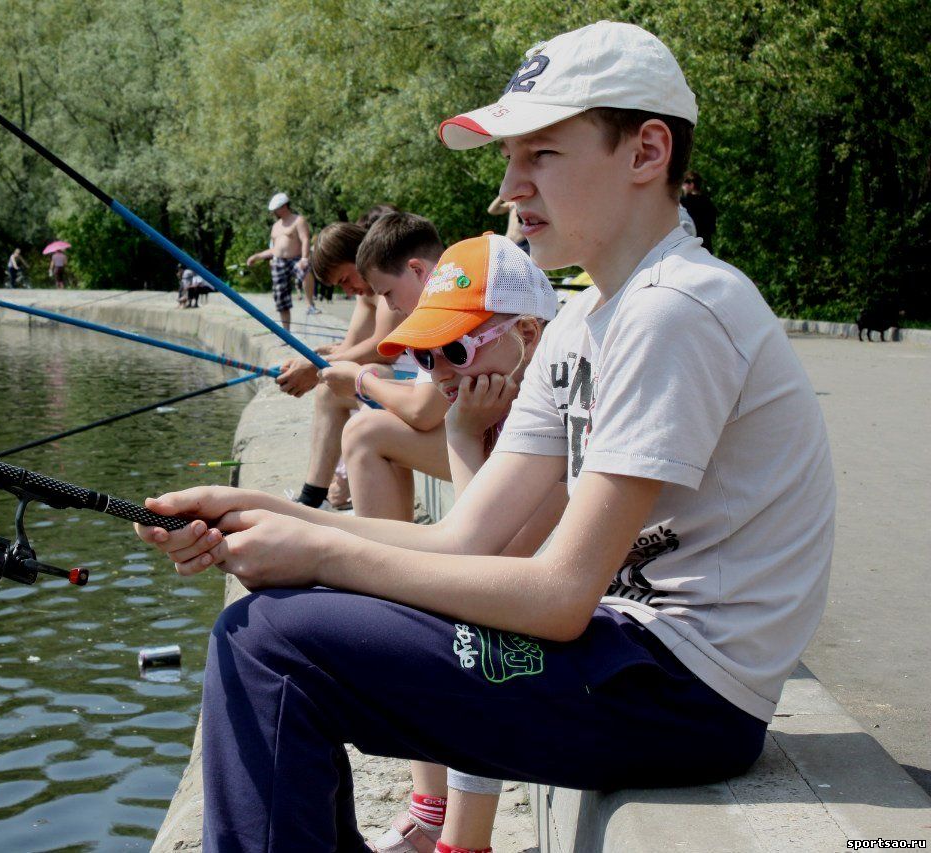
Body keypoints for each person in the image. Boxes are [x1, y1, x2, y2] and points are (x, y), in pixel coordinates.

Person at [133, 21, 835, 853]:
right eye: (509, 159)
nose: (507, 188)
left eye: (539, 155)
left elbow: (559, 596)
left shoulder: (676, 307)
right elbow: (469, 537)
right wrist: (252, 507)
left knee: (272, 645)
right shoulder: (586, 318)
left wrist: (318, 555)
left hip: (686, 695)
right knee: (275, 629)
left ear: (647, 151)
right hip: (632, 660)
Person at [366, 233, 568, 853]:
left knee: (471, 622)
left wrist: (459, 434)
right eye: (427, 358)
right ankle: (434, 814)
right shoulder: (511, 398)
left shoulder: (561, 413)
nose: (442, 374)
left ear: (529, 335)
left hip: (630, 629)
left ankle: (457, 838)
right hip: (565, 601)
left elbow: (485, 566)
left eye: (455, 349)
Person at [317, 212, 453, 522]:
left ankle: (385, 557)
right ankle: (394, 548)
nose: (390, 307)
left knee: (365, 432)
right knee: (378, 419)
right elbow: (428, 393)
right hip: (491, 437)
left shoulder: (444, 311)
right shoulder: (454, 290)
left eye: (388, 294)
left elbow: (423, 411)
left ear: (416, 269)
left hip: (504, 448)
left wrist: (360, 379)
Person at [281, 218, 407, 510]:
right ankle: (313, 500)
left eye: (346, 279)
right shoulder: (367, 293)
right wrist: (315, 357)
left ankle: (313, 501)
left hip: (417, 376)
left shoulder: (386, 283)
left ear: (358, 256)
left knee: (333, 386)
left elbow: (384, 347)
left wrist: (316, 367)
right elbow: (352, 348)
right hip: (403, 373)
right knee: (331, 385)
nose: (349, 290)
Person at [246, 192, 311, 331]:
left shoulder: (298, 220)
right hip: (279, 262)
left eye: (275, 209)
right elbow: (274, 249)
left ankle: (310, 304)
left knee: (306, 271)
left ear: (284, 206)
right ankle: (286, 332)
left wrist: (304, 258)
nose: (274, 212)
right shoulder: (275, 226)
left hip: (296, 259)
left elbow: (305, 239)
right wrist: (256, 257)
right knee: (281, 298)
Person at [680, 169, 717, 250]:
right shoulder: (708, 202)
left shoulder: (684, 202)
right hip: (706, 246)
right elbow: (712, 228)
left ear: (691, 184)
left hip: (689, 245)